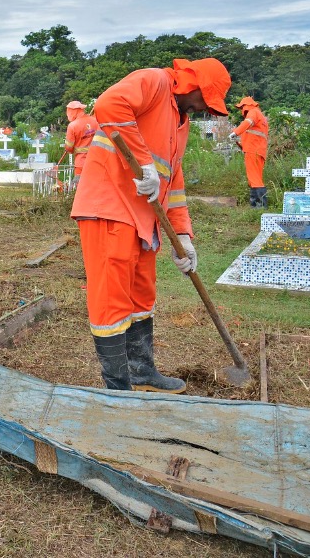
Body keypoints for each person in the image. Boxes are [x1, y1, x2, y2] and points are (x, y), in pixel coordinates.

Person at [70, 58, 231, 393]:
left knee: (142, 295)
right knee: (111, 300)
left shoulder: (180, 121)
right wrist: (143, 163)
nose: (204, 110)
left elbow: (174, 181)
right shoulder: (155, 82)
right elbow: (108, 104)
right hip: (109, 206)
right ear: (192, 85)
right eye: (205, 101)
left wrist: (184, 236)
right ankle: (117, 387)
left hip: (144, 219)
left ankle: (142, 372)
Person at [229, 96, 269, 208]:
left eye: (241, 107)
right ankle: (259, 206)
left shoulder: (253, 112)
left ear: (246, 106)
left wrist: (235, 132)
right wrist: (239, 141)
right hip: (258, 150)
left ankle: (258, 206)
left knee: (254, 178)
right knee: (256, 178)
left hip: (253, 150)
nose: (242, 110)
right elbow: (254, 135)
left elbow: (248, 122)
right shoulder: (260, 116)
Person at [62, 100, 99, 190]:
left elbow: (69, 147)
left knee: (80, 187)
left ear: (73, 111)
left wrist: (69, 150)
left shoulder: (73, 126)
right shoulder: (95, 121)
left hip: (81, 162)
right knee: (96, 186)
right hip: (97, 159)